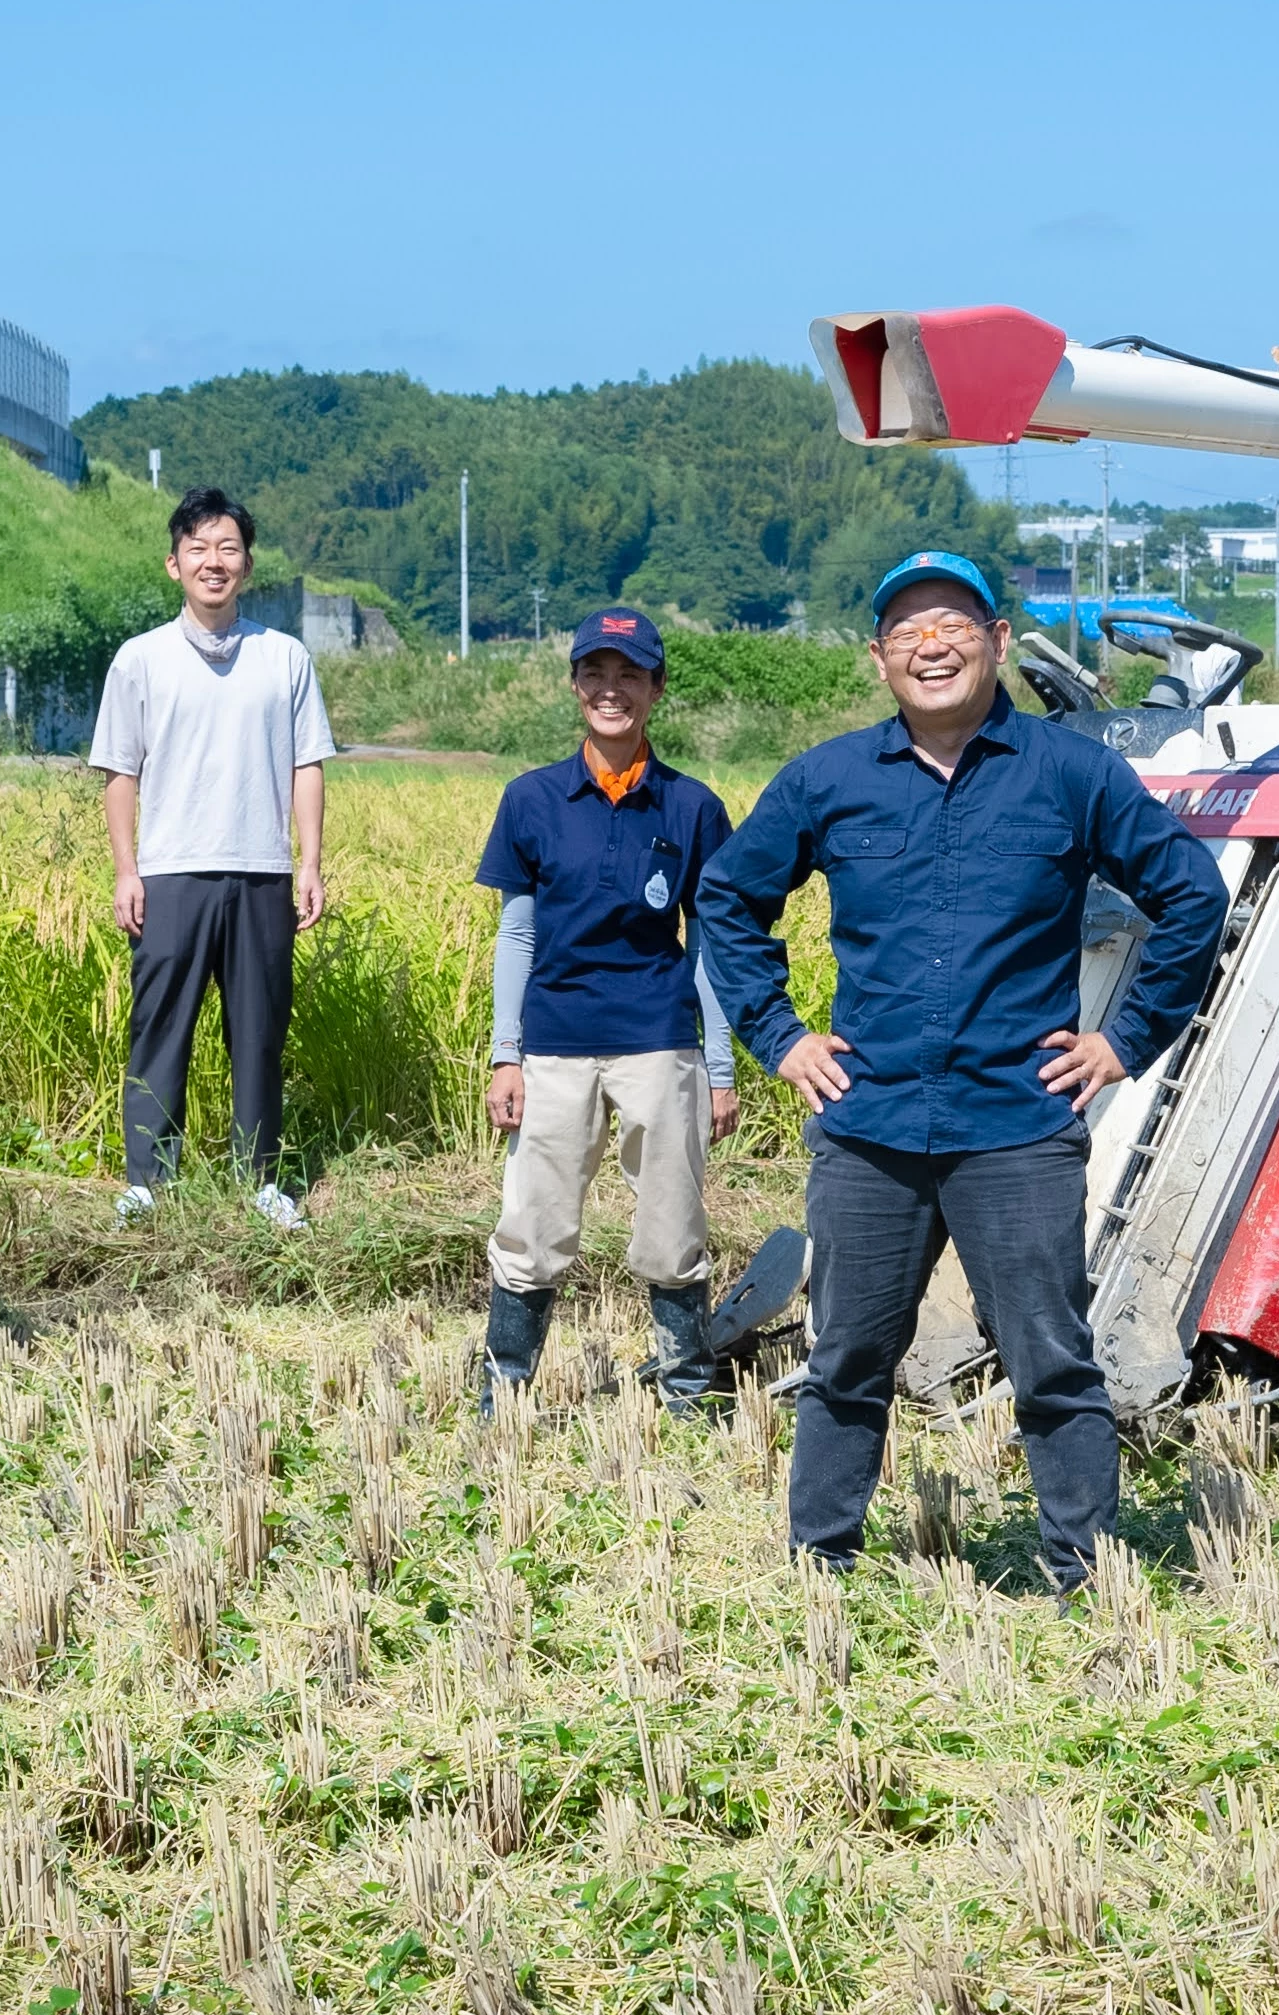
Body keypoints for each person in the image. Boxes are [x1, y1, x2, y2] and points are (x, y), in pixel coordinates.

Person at [695, 551, 1227, 1589]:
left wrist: (1123, 1040)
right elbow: (726, 899)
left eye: (953, 625)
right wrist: (778, 1034)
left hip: (1015, 1126)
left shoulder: (1069, 772)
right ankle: (821, 1566)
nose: (929, 645)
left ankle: (1083, 1573)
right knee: (847, 1357)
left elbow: (1191, 894)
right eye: (905, 630)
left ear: (993, 640)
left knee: (1051, 1358)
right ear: (879, 657)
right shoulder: (828, 779)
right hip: (869, 1123)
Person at [476, 608, 743, 1410]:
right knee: (533, 1225)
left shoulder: (692, 808)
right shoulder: (531, 800)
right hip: (554, 1041)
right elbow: (516, 936)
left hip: (659, 1041)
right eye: (596, 672)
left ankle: (686, 1391)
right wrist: (505, 1051)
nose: (611, 689)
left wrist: (720, 1067)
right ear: (574, 684)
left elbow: (712, 949)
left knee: (672, 1226)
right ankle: (507, 1389)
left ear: (657, 689)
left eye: (630, 674)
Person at [92, 488, 334, 1227]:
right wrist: (127, 869)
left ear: (248, 566)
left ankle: (260, 1178)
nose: (213, 561)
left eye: (227, 548)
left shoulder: (283, 657)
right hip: (170, 872)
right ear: (174, 565)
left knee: (259, 1031)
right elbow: (119, 772)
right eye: (198, 549)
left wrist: (310, 863)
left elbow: (307, 765)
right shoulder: (140, 659)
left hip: (261, 870)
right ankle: (148, 1182)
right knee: (160, 1025)